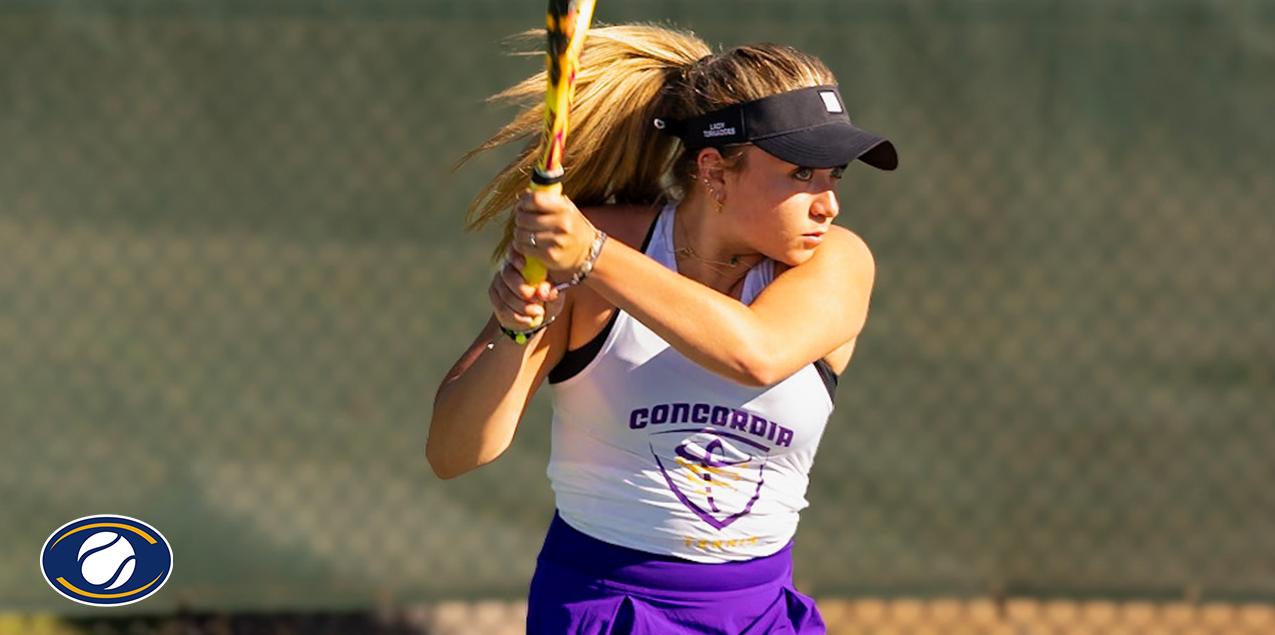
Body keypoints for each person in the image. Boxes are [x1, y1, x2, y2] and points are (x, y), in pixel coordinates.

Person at [427, 23, 897, 634]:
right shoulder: (594, 254)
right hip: (604, 607)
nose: (827, 203)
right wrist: (516, 331)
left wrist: (592, 254)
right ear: (715, 171)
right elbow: (456, 453)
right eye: (800, 174)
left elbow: (756, 353)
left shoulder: (837, 260)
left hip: (762, 611)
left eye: (834, 176)